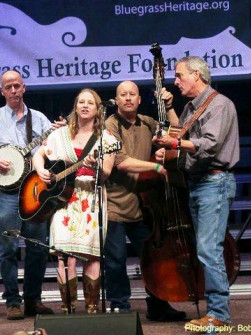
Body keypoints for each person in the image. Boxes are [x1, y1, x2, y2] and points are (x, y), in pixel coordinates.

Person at [153, 56, 239, 329]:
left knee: (208, 249)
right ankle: (215, 311)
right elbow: (183, 132)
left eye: (179, 76)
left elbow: (209, 144)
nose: (175, 82)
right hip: (198, 183)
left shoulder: (220, 104)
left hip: (214, 182)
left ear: (197, 74)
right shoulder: (193, 106)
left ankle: (219, 314)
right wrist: (169, 134)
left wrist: (174, 142)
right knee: (204, 248)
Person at [0, 70, 63, 320]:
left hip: (35, 192)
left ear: (24, 88)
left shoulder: (40, 119)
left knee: (37, 248)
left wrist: (57, 135)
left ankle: (33, 300)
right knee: (8, 247)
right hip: (7, 193)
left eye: (17, 86)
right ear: (2, 91)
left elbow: (53, 150)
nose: (13, 91)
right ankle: (12, 301)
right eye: (8, 87)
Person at [103, 80, 187, 321]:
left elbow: (178, 133)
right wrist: (157, 165)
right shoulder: (109, 125)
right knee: (117, 260)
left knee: (154, 258)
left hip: (143, 204)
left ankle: (158, 305)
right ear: (116, 100)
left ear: (140, 100)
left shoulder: (147, 122)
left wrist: (169, 107)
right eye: (123, 95)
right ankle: (119, 306)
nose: (128, 98)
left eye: (132, 94)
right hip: (115, 205)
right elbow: (121, 161)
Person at [32, 88, 117, 314]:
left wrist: (94, 165)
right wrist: (40, 170)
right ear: (76, 106)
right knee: (63, 255)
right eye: (81, 102)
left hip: (90, 197)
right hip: (62, 198)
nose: (85, 105)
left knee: (90, 253)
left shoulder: (106, 139)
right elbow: (38, 155)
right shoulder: (60, 135)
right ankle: (67, 307)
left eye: (90, 102)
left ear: (98, 109)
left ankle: (91, 307)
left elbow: (106, 172)